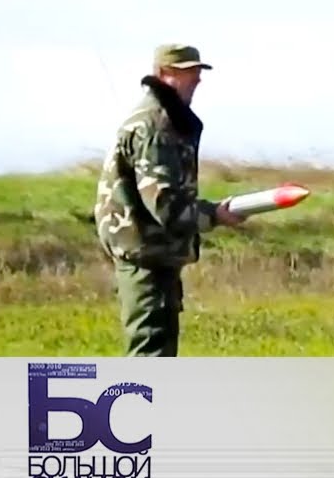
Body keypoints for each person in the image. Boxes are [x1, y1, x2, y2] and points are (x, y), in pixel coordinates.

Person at [93, 43, 246, 357]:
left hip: (154, 253)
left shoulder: (163, 121)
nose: (197, 80)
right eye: (188, 73)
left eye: (197, 72)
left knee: (159, 348)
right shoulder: (155, 126)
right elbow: (164, 204)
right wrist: (215, 214)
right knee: (151, 353)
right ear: (163, 74)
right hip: (146, 254)